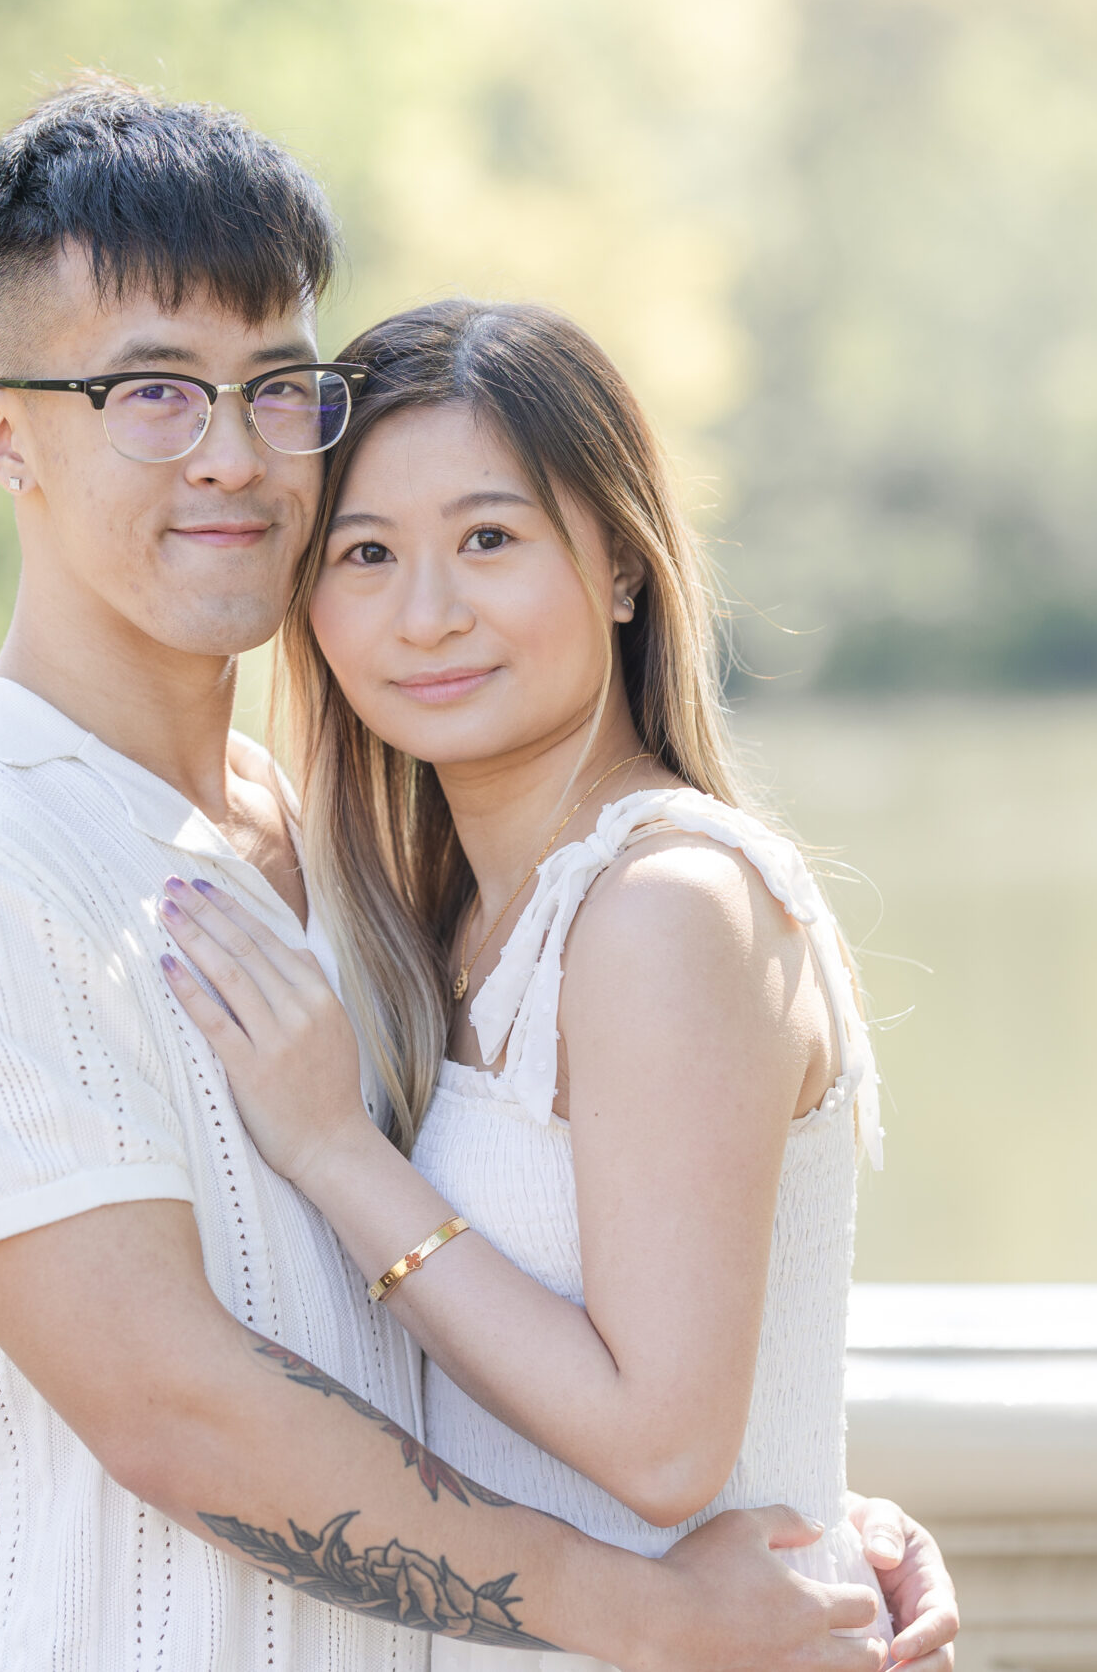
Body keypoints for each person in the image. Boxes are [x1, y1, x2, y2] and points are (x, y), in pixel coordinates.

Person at [0, 72, 959, 1671]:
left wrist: (797, 1511)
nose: (230, 456)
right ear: (5, 437)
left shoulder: (342, 869)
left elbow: (530, 1330)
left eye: (275, 386)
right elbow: (181, 1415)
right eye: (149, 393)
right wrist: (661, 1606)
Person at [157, 298, 909, 1672]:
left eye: (489, 540)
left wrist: (334, 1147)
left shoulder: (666, 908)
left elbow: (666, 1448)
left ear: (620, 562)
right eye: (367, 553)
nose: (426, 613)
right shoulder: (431, 923)